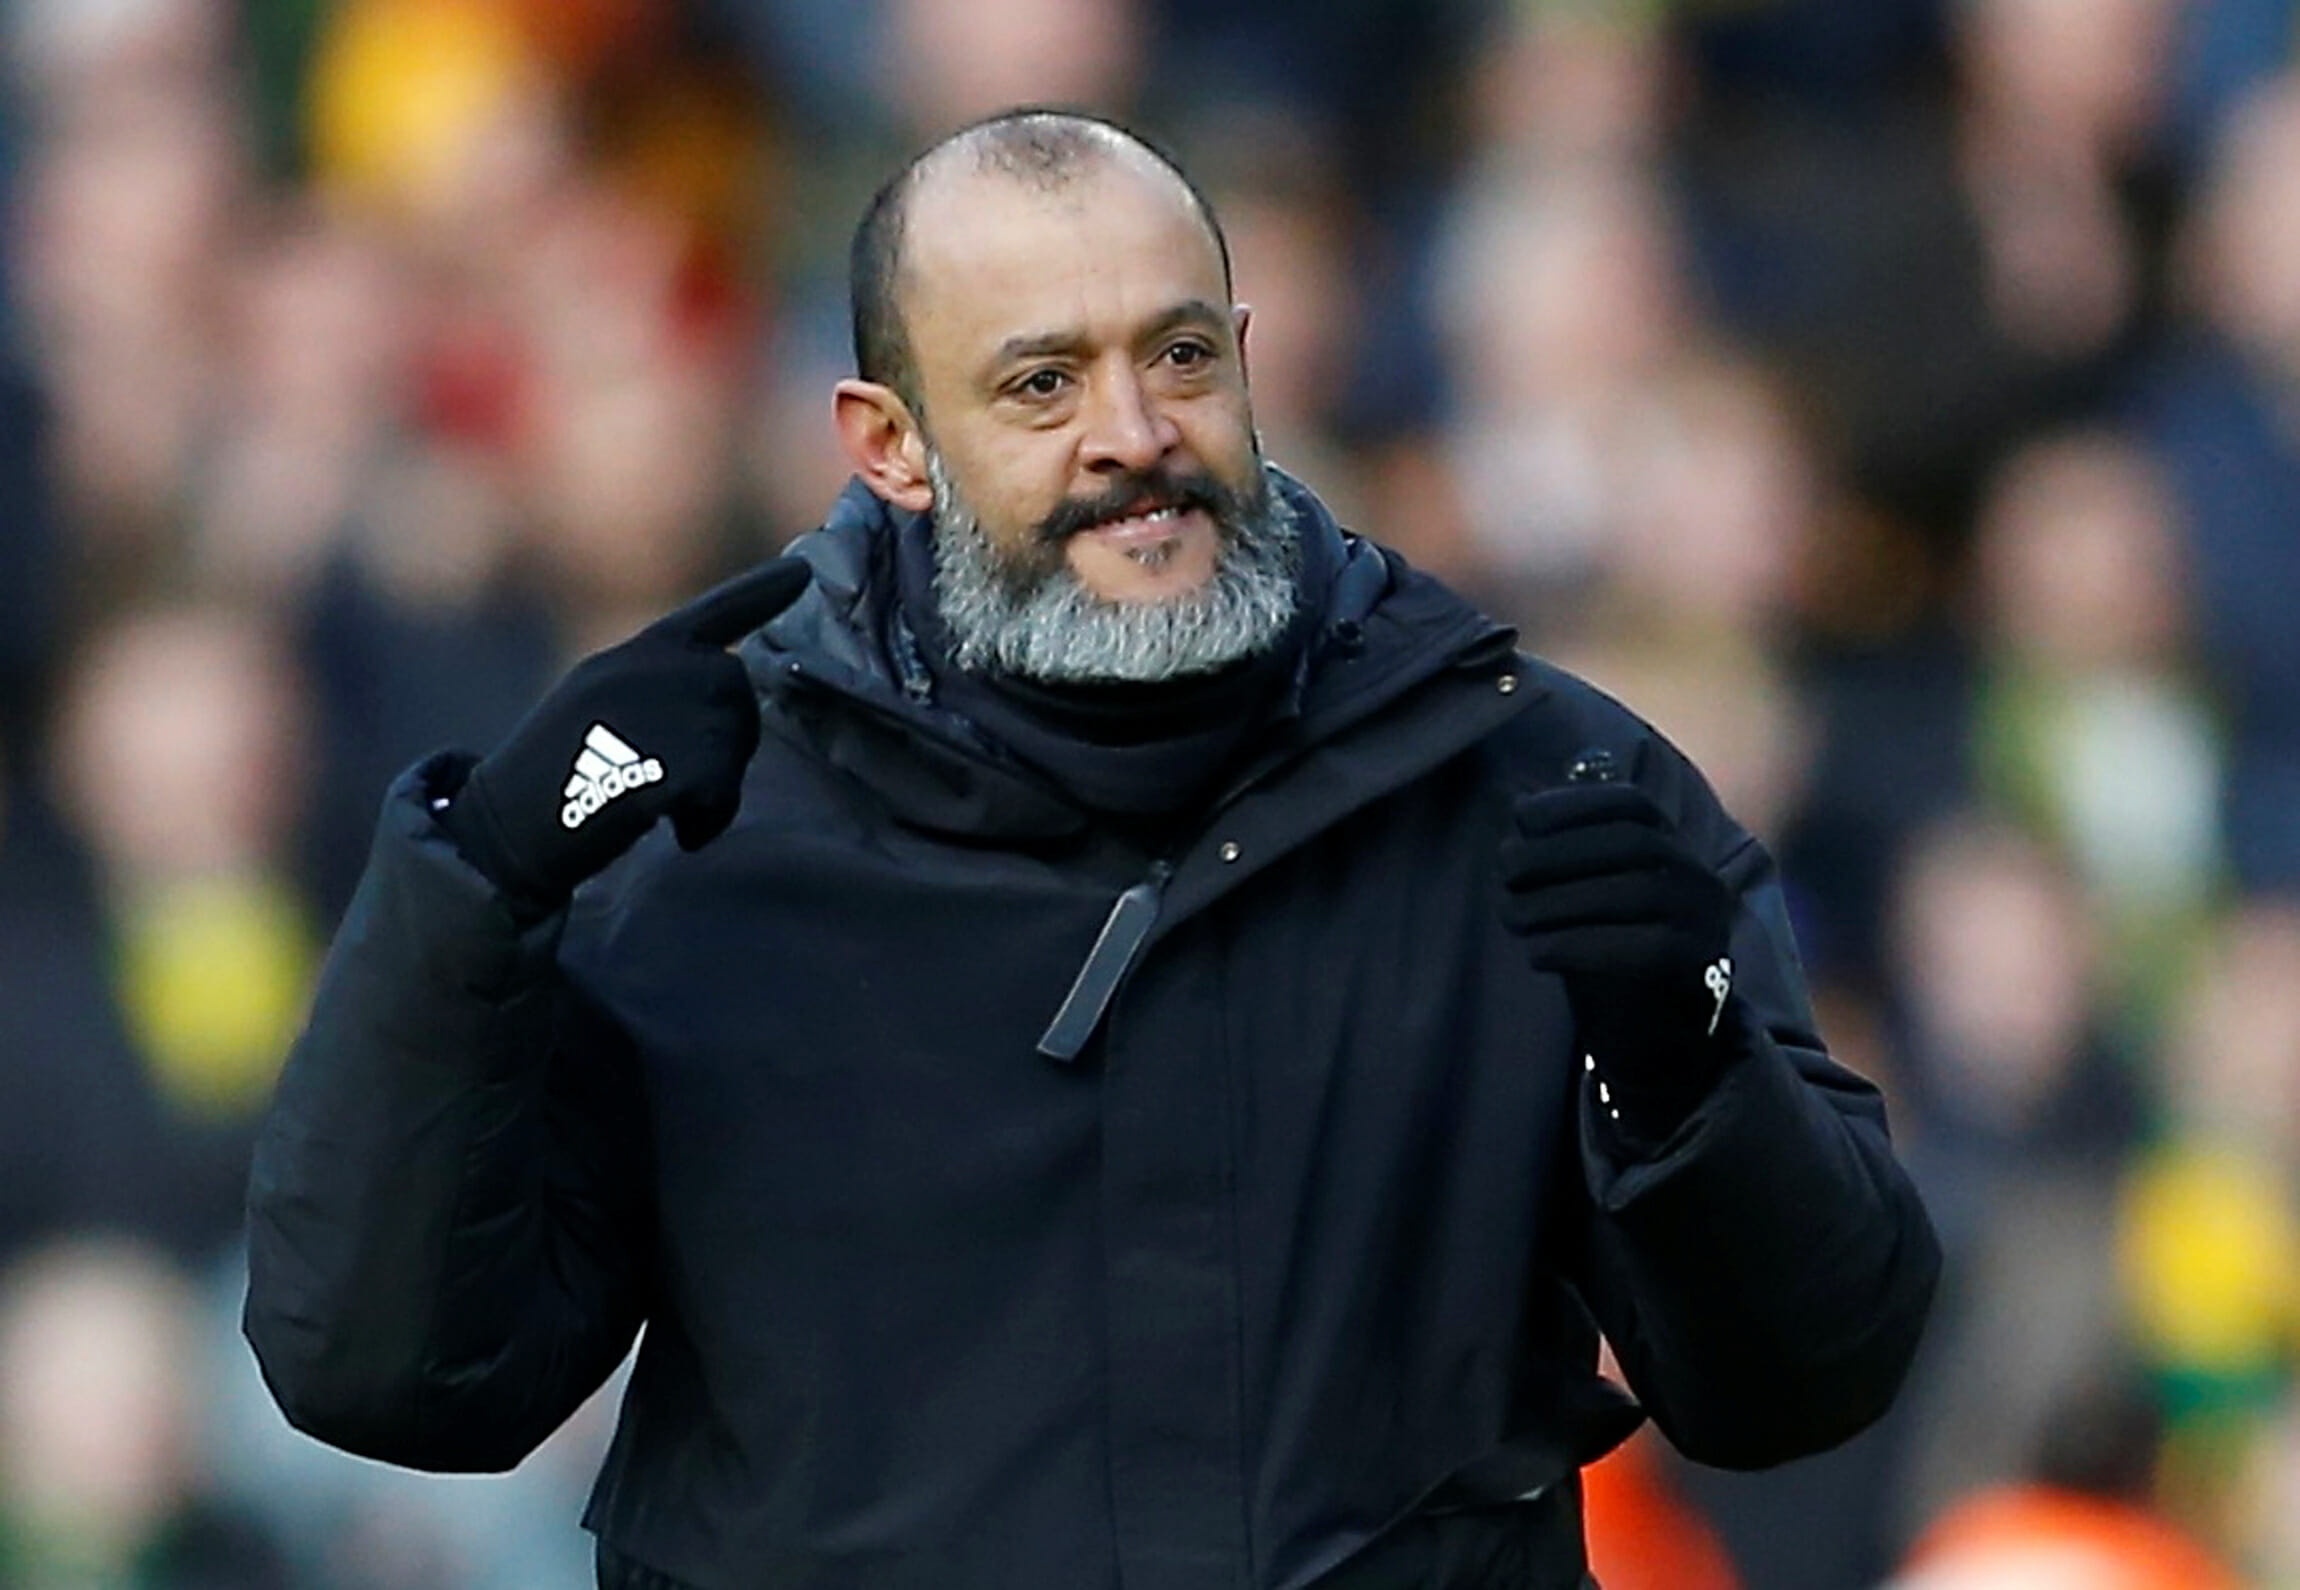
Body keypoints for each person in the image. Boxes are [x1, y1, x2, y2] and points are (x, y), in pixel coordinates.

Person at [242, 108, 1940, 1590]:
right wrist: (476, 894)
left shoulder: (1540, 777)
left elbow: (1809, 1372)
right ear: (888, 443)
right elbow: (393, 1373)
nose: (1134, 433)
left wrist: (1689, 1064)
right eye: (1042, 381)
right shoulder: (695, 819)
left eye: (1181, 354)